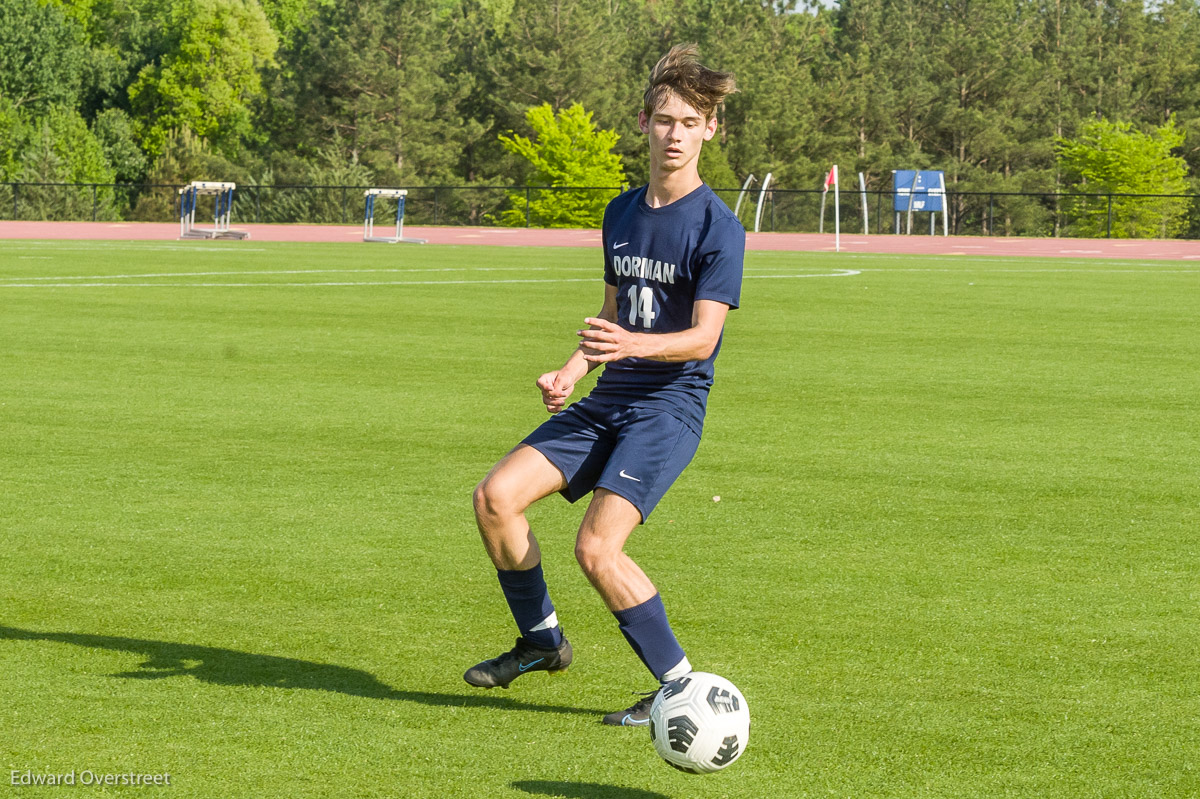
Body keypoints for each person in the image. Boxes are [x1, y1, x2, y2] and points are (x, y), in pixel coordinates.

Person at [464, 43, 743, 727]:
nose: (674, 134)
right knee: (496, 498)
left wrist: (630, 348)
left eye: (690, 122)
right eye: (664, 119)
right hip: (610, 396)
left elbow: (703, 338)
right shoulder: (620, 213)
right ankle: (542, 642)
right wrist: (572, 367)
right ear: (643, 121)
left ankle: (678, 689)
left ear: (712, 129)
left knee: (597, 547)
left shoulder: (718, 227)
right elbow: (616, 314)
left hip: (667, 408)